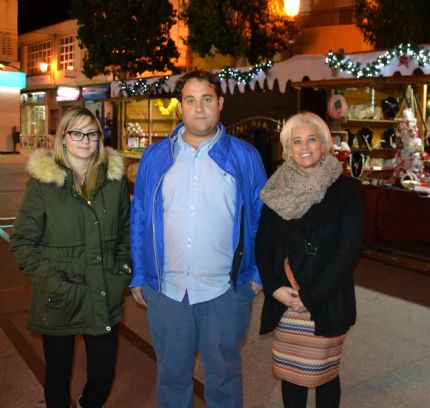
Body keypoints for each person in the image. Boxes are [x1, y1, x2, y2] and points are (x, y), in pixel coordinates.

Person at [129, 70, 267, 408]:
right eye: (190, 100)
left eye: (207, 99)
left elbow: (263, 218)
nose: (199, 108)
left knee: (224, 377)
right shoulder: (156, 156)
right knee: (172, 376)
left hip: (225, 290)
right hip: (167, 290)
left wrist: (255, 275)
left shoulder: (245, 157)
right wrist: (141, 274)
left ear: (219, 104)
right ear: (180, 107)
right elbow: (141, 217)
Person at [10, 106, 131, 408]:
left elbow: (126, 232)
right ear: (63, 138)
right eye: (76, 132)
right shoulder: (43, 184)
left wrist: (121, 271)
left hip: (103, 290)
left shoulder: (114, 182)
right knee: (58, 374)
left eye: (91, 133)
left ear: (99, 138)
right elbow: (23, 241)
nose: (85, 140)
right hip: (59, 295)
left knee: (103, 375)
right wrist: (52, 283)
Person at [256, 112, 364, 407]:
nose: (304, 147)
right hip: (287, 299)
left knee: (325, 374)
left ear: (325, 144)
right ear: (287, 149)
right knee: (292, 376)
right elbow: (263, 245)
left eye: (311, 139)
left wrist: (312, 297)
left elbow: (348, 251)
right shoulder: (276, 190)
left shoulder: (346, 190)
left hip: (326, 300)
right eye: (296, 141)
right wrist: (274, 288)